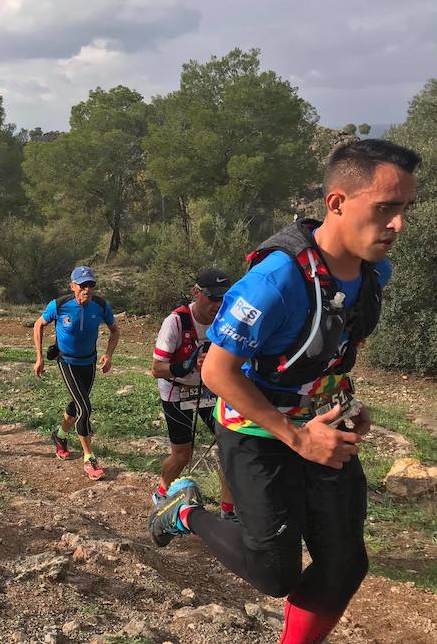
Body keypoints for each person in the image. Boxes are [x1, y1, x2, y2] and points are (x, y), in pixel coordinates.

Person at [148, 139, 420, 644]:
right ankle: (181, 511)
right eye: (385, 208)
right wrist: (296, 437)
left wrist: (348, 402)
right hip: (257, 427)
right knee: (275, 574)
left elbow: (332, 348)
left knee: (344, 562)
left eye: (404, 208)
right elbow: (217, 373)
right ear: (337, 202)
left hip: (323, 420)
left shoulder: (372, 270)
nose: (398, 224)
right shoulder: (273, 282)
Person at [150, 269, 236, 518]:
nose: (218, 305)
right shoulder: (176, 321)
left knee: (229, 446)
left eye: (224, 298)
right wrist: (185, 366)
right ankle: (162, 493)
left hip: (210, 389)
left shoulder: (226, 319)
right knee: (182, 454)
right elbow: (156, 369)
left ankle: (228, 511)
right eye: (212, 298)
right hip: (176, 390)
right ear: (196, 293)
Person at [33, 266, 120, 480]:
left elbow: (115, 330)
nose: (87, 289)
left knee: (76, 405)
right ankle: (89, 458)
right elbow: (38, 325)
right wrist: (39, 357)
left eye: (91, 285)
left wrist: (108, 355)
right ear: (72, 286)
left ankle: (60, 436)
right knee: (85, 407)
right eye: (83, 285)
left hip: (88, 361)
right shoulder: (60, 305)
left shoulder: (100, 306)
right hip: (67, 361)